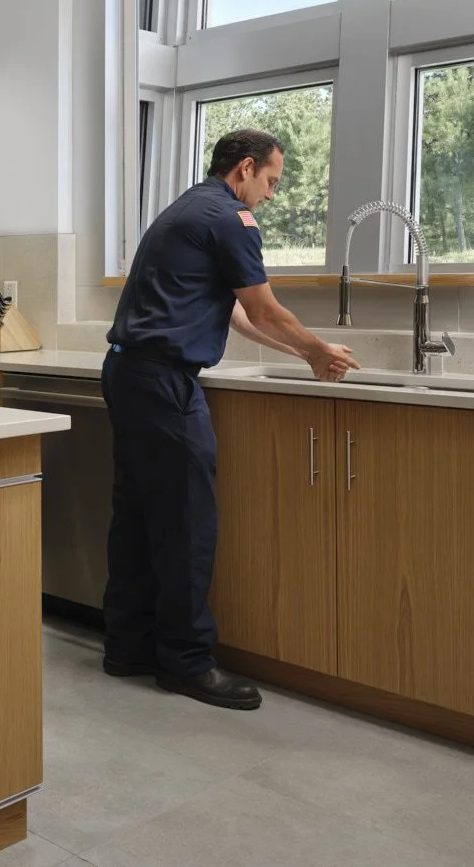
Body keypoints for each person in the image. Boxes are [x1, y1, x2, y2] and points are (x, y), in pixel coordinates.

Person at [102, 128, 360, 710]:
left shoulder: (190, 207)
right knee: (188, 523)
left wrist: (304, 353)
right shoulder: (231, 220)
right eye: (271, 180)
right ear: (245, 168)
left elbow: (238, 313)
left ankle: (127, 646)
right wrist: (319, 348)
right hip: (164, 383)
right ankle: (187, 664)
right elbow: (265, 306)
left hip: (129, 372)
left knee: (139, 515)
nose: (271, 193)